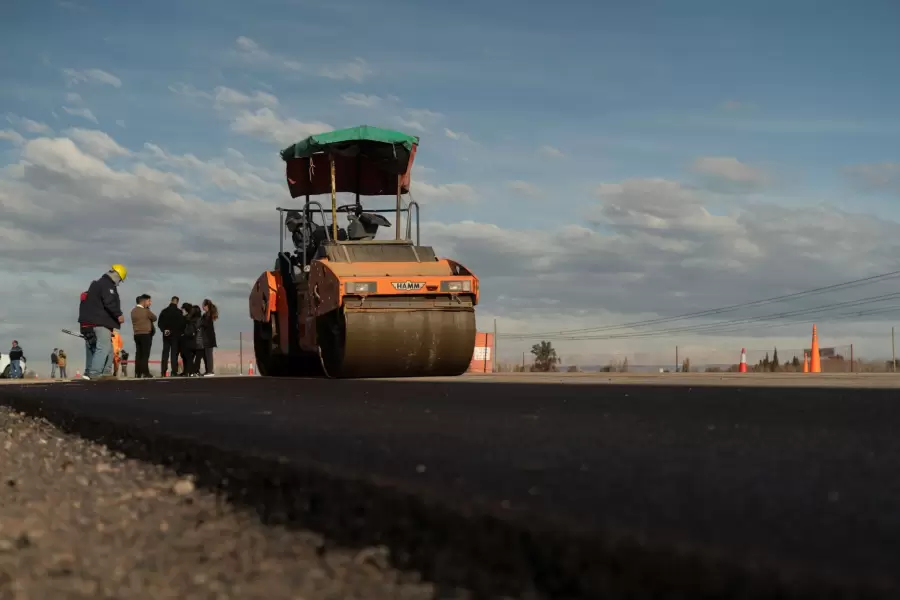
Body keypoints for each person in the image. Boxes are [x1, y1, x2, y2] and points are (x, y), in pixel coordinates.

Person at [78, 264, 127, 381]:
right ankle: (95, 373)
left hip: (88, 323)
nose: (118, 283)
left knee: (102, 348)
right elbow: (109, 301)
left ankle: (102, 372)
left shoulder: (95, 286)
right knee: (103, 348)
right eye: (120, 280)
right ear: (116, 275)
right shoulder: (107, 285)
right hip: (100, 323)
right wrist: (118, 314)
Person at [131, 294, 157, 378]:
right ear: (144, 301)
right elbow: (154, 318)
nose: (150, 303)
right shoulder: (146, 311)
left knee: (138, 353)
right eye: (149, 301)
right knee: (145, 354)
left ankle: (137, 372)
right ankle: (145, 372)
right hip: (145, 334)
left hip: (136, 334)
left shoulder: (133, 311)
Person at [158, 295, 184, 377]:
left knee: (165, 353)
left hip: (166, 335)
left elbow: (160, 323)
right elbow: (182, 324)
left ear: (171, 301)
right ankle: (174, 371)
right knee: (174, 354)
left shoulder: (164, 311)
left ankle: (163, 371)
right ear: (177, 302)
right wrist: (180, 333)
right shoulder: (179, 312)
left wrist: (164, 330)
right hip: (176, 336)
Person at [199, 299, 219, 376]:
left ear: (206, 306)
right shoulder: (208, 314)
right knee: (206, 354)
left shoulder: (207, 315)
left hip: (208, 338)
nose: (202, 306)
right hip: (208, 337)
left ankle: (210, 371)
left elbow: (205, 324)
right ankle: (208, 370)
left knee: (208, 355)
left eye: (203, 305)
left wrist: (200, 323)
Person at [183, 305, 203, 377]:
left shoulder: (188, 319)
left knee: (190, 358)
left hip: (189, 340)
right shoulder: (200, 320)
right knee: (198, 357)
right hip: (198, 341)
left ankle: (189, 371)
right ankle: (196, 371)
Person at [177, 302, 194, 377]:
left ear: (185, 309)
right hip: (186, 338)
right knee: (185, 355)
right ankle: (186, 371)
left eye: (182, 308)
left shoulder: (186, 318)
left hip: (185, 338)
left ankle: (189, 371)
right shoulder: (188, 317)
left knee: (187, 355)